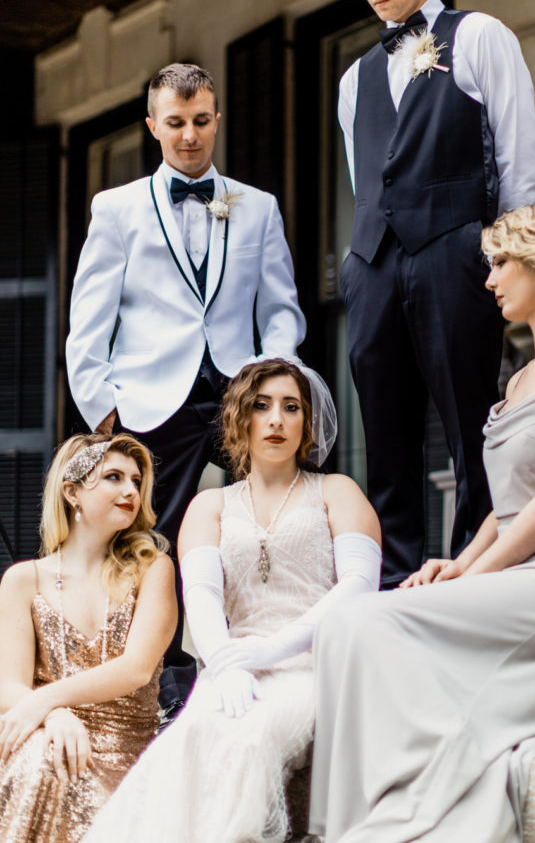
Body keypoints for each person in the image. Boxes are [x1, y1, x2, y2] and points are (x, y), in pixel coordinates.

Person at [309, 200, 535, 843]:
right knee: (347, 621)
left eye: (501, 264)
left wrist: (471, 579)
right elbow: (503, 507)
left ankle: (409, 807)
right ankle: (354, 820)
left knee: (375, 622)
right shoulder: (517, 380)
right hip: (517, 570)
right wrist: (456, 564)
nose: (488, 280)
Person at [66, 63, 306, 717]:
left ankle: (274, 657)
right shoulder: (116, 209)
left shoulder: (256, 206)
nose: (190, 136)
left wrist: (272, 376)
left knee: (271, 523)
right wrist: (105, 411)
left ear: (216, 118)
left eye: (201, 121)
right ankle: (162, 683)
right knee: (150, 542)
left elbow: (281, 306)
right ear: (153, 125)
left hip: (239, 399)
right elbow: (89, 318)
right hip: (149, 403)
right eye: (175, 123)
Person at [84, 358, 381, 843]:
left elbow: (357, 589)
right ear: (240, 418)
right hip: (232, 664)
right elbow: (200, 596)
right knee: (188, 738)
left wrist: (271, 651)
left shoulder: (337, 491)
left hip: (319, 665)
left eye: (291, 407)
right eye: (262, 406)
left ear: (307, 421)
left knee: (252, 736)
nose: (277, 420)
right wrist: (226, 661)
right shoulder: (211, 506)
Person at [339, 0, 535, 586]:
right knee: (384, 439)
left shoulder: (481, 36)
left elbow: (519, 160)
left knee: (468, 426)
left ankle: (469, 576)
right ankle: (396, 582)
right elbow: (368, 177)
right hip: (372, 266)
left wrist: (504, 258)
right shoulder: (351, 81)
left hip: (455, 254)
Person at [0, 433, 176, 843]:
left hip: (125, 750)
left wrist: (47, 698)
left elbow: (136, 669)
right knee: (43, 758)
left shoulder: (153, 570)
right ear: (72, 492)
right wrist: (55, 715)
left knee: (55, 764)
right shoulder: (23, 579)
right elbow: (9, 685)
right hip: (47, 735)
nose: (131, 490)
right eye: (114, 477)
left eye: (136, 481)